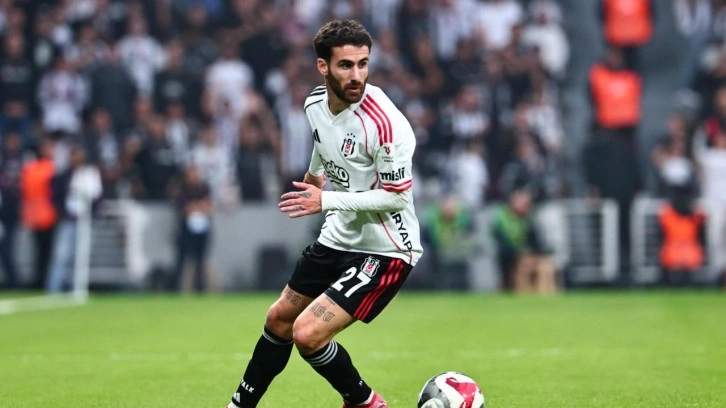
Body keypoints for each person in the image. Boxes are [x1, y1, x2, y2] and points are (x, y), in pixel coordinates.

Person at [226, 20, 423, 408]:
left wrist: (326, 200)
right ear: (323, 66)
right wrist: (315, 176)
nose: (357, 76)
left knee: (307, 333)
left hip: (385, 249)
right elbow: (323, 141)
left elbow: (397, 198)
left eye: (363, 64)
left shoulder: (385, 125)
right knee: (278, 319)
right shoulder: (314, 104)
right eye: (346, 65)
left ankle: (366, 402)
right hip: (338, 236)